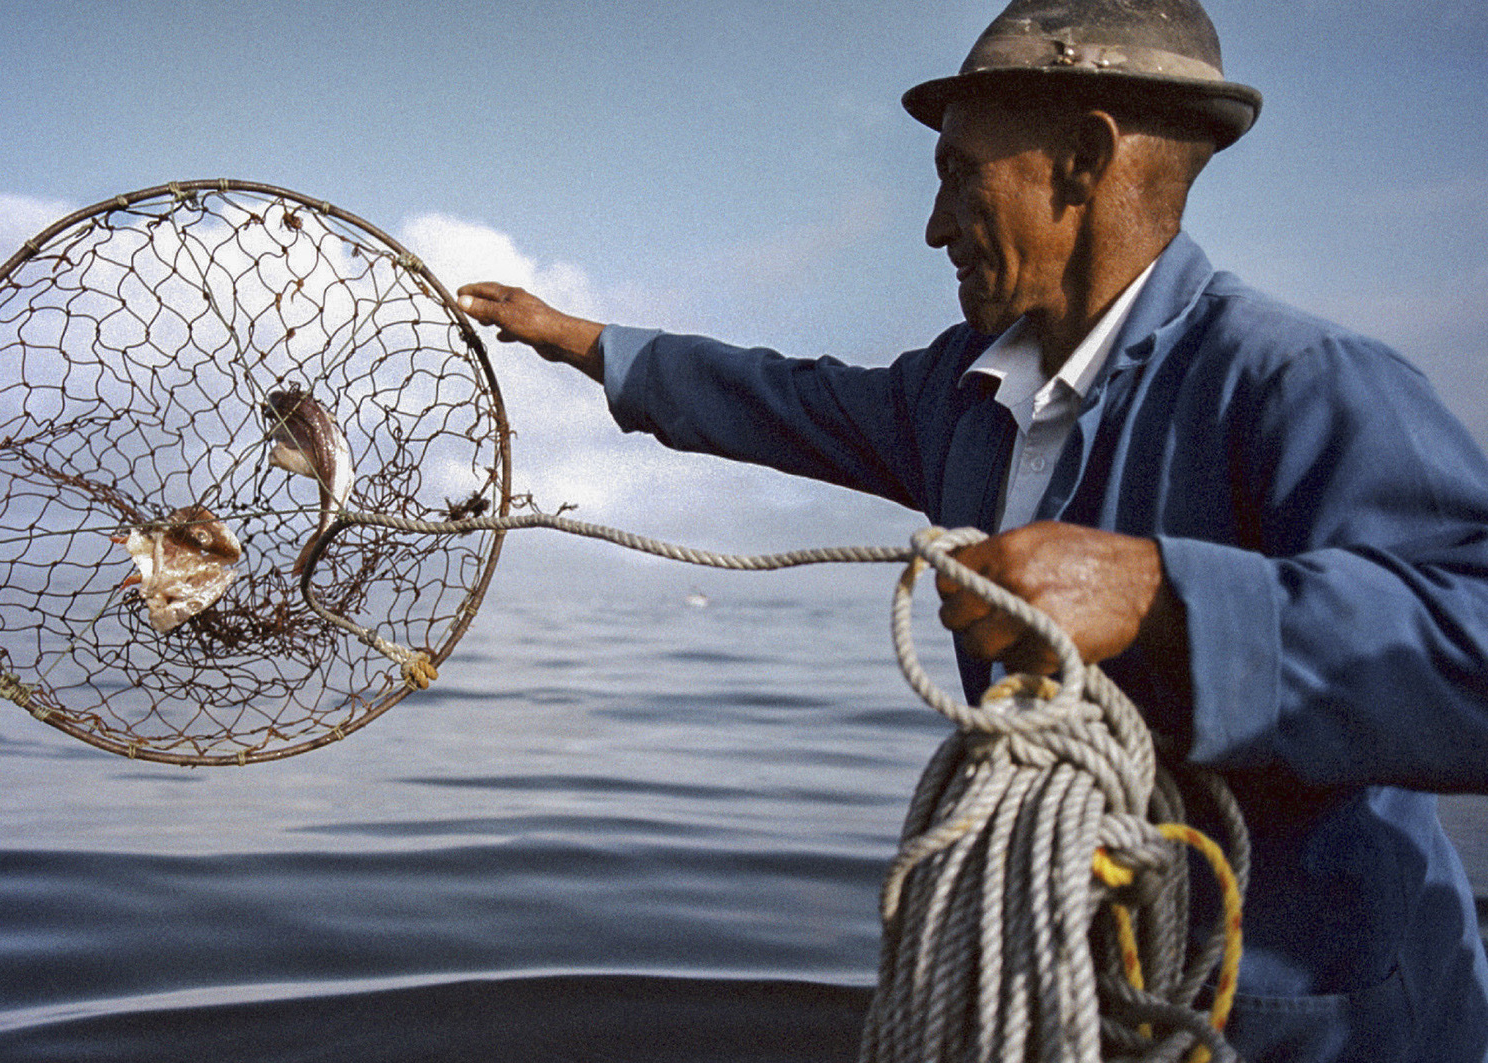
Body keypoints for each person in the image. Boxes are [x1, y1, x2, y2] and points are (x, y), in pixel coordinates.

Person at [455, 1, 1488, 1060]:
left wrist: (1157, 594)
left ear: (1082, 159)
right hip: (1071, 992)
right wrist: (584, 341)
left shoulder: (1297, 383)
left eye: (958, 176)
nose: (934, 227)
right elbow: (780, 397)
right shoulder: (959, 395)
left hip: (1305, 1019)